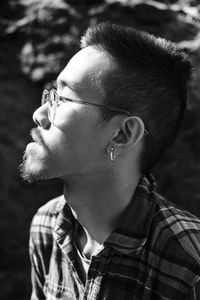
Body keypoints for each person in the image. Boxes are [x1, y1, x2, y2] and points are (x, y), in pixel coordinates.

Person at [20, 22, 200, 300]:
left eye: (63, 98)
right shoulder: (46, 227)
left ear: (123, 134)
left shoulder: (188, 261)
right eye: (51, 93)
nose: (39, 114)